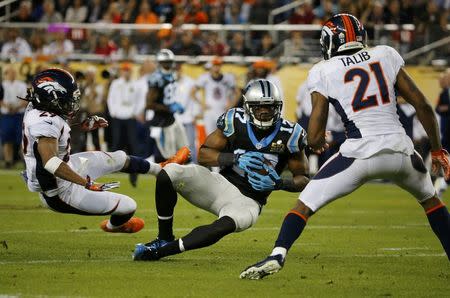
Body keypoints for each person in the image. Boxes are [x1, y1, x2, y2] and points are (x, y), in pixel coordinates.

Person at [240, 14, 450, 280]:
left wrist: (316, 141)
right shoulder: (385, 54)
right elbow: (423, 106)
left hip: (359, 154)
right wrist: (436, 150)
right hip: (401, 152)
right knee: (432, 201)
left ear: (330, 41)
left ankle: (277, 254)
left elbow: (315, 134)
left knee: (303, 205)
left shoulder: (323, 70)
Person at [132, 79, 310, 261]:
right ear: (248, 107)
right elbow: (203, 155)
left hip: (249, 200)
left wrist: (280, 183)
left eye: (270, 107)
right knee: (169, 173)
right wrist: (235, 158)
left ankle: (161, 252)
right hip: (220, 184)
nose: (265, 112)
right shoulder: (234, 120)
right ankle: (164, 238)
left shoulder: (290, 133)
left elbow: (302, 179)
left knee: (221, 227)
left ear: (278, 107)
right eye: (258, 107)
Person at [21, 68, 190, 234]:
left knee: (118, 158)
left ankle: (161, 168)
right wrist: (86, 183)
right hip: (58, 190)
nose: (72, 102)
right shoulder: (44, 122)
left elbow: (51, 133)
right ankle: (113, 226)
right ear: (51, 96)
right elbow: (50, 162)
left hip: (65, 167)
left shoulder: (38, 109)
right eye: (67, 98)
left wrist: (81, 125)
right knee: (128, 206)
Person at [145, 49, 189, 163]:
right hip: (162, 122)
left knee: (185, 152)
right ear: (159, 63)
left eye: (169, 61)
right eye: (165, 62)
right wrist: (169, 108)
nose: (168, 64)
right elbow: (149, 104)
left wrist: (175, 104)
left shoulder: (172, 75)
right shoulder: (156, 78)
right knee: (168, 156)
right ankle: (166, 178)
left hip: (173, 119)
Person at [191, 57, 240, 136]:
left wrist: (231, 106)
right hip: (209, 111)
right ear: (212, 66)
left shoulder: (227, 78)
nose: (216, 67)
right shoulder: (204, 78)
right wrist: (201, 104)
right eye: (215, 65)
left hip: (222, 110)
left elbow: (237, 93)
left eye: (218, 65)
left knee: (223, 136)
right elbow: (192, 92)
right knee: (210, 136)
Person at [1, 66, 28, 168]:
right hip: (6, 115)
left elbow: (25, 99)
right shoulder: (2, 85)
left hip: (19, 114)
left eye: (13, 72)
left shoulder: (21, 85)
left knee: (22, 138)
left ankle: (25, 160)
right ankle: (8, 161)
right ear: (6, 74)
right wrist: (6, 106)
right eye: (9, 72)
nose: (12, 74)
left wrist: (16, 107)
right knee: (7, 138)